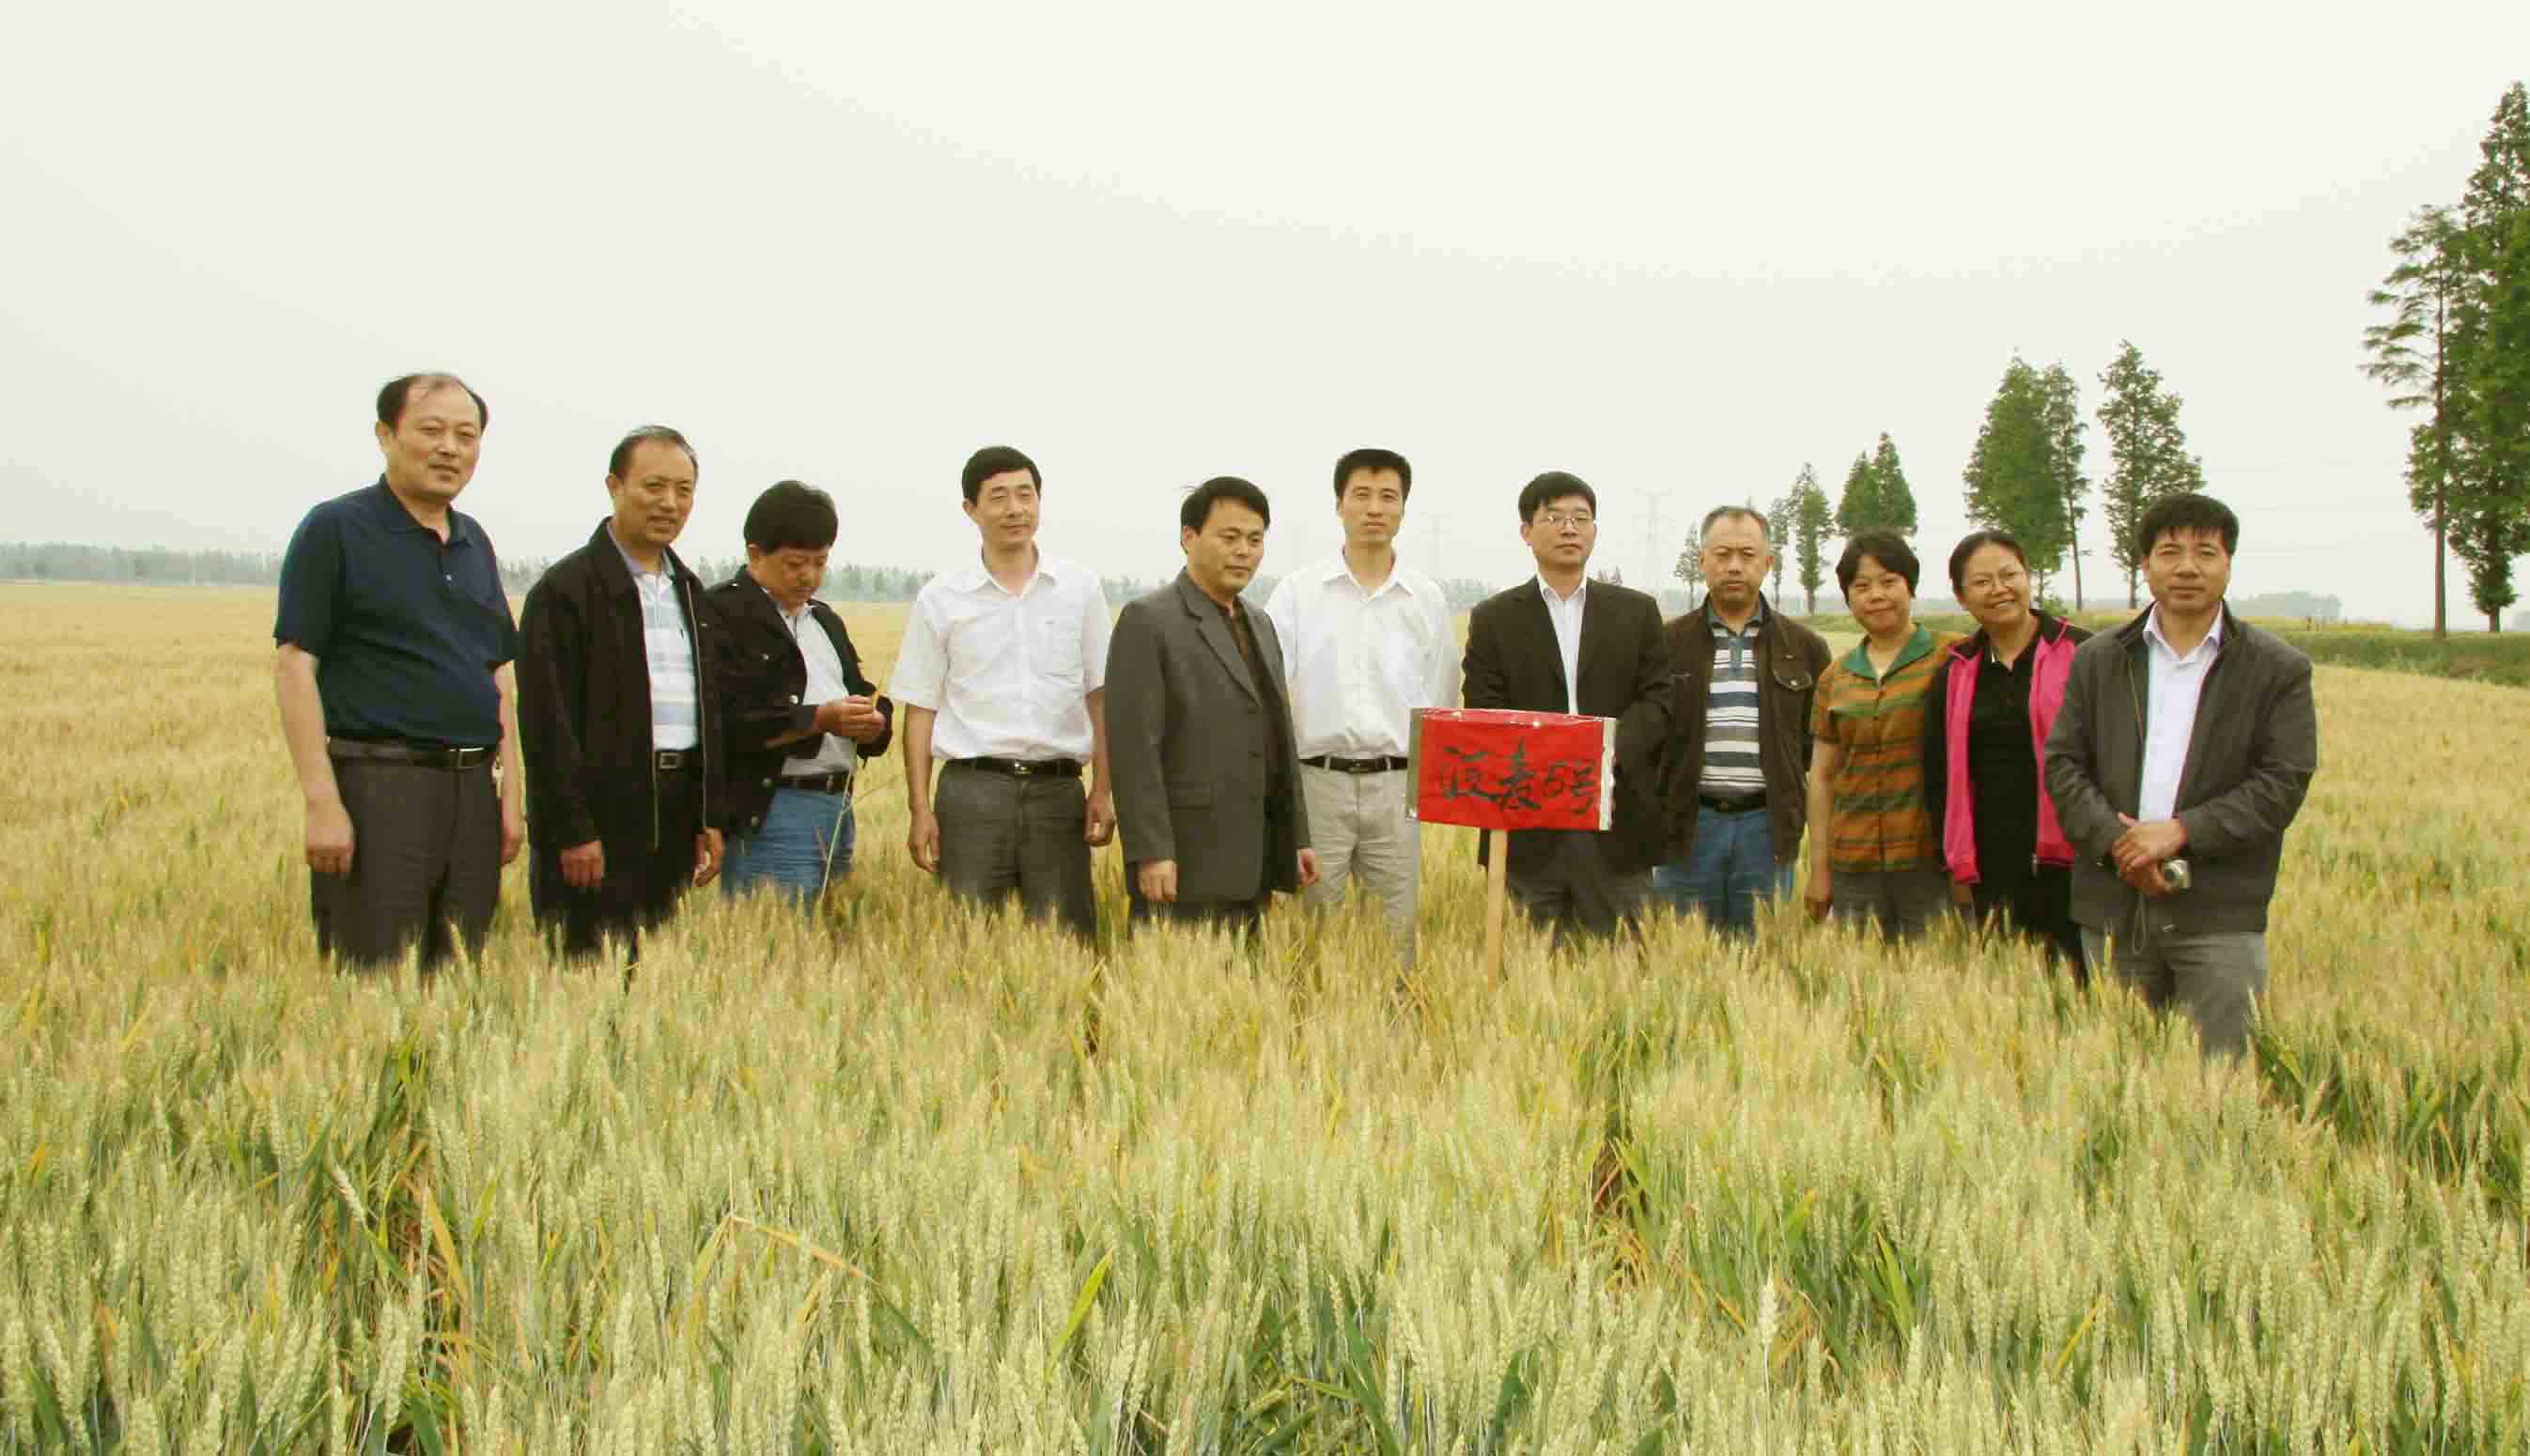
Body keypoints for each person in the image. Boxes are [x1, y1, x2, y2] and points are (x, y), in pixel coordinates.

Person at [2044, 494, 2317, 1060]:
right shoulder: (2099, 659)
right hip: (2113, 908)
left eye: (2205, 552)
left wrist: (2181, 832)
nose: (2187, 567)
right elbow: (2064, 764)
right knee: (2115, 1077)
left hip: (2220, 912)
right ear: (2145, 564)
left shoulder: (2277, 668)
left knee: (2221, 1081)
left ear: (2228, 564)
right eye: (2170, 552)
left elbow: (2282, 781)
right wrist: (2121, 845)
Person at [272, 372, 524, 970]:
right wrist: (322, 803)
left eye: (466, 435)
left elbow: (496, 678)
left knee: (461, 977)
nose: (449, 448)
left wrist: (510, 798)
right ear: (385, 435)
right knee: (375, 977)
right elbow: (295, 666)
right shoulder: (336, 528)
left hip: (472, 790)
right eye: (431, 430)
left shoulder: (474, 541)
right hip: (380, 785)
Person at [516, 426, 724, 960]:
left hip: (675, 815)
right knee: (586, 972)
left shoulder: (689, 591)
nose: (669, 503)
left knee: (657, 973)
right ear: (614, 486)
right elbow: (545, 723)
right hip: (600, 822)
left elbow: (706, 714)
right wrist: (572, 830)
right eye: (654, 486)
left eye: (683, 490)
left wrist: (706, 815)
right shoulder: (564, 592)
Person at [892, 446, 1116, 943]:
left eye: (1025, 495)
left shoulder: (1079, 589)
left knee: (1066, 942)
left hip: (1059, 793)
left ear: (1040, 500)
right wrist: (920, 809)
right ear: (970, 509)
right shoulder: (941, 597)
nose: (1015, 509)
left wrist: (1102, 789)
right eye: (998, 497)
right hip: (972, 794)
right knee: (968, 943)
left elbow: (1101, 696)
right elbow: (921, 709)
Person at [1263, 447, 1457, 966]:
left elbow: (1441, 694)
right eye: (1362, 495)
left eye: (1388, 497)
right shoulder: (1298, 594)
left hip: (1395, 787)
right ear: (1339, 505)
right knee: (1311, 933)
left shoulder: (1425, 599)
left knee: (1395, 934)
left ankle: (1391, 1017)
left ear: (1403, 509)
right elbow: (1271, 693)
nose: (1375, 508)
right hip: (1316, 784)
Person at [1461, 472, 1671, 944]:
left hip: (1619, 819)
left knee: (1625, 965)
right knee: (1528, 965)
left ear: (1595, 530)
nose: (1569, 528)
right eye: (1554, 517)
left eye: (1581, 518)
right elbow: (1486, 711)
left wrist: (1603, 753)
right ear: (1526, 531)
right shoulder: (1494, 619)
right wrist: (1554, 764)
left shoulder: (1636, 612)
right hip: (1527, 826)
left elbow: (1658, 701)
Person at [1107, 476, 1319, 935]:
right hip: (1184, 862)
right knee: (1168, 978)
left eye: (1255, 540)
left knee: (1249, 979)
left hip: (1254, 860)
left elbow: (1279, 738)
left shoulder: (1260, 623)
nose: (1244, 551)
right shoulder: (1149, 621)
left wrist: (1297, 837)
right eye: (1229, 537)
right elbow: (1134, 750)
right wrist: (1151, 851)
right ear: (1189, 537)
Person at [707, 481, 893, 904]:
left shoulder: (824, 620)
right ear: (755, 554)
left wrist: (873, 721)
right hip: (773, 808)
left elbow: (861, 690)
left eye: (820, 562)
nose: (808, 575)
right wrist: (821, 719)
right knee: (772, 938)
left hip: (838, 808)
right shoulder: (721, 615)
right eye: (794, 563)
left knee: (830, 937)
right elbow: (728, 721)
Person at [1652, 504, 1832, 937]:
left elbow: (1819, 751)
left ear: (1768, 563)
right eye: (1722, 554)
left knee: (1762, 956)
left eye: (1747, 555)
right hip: (1688, 828)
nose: (1734, 566)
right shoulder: (1665, 644)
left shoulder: (1804, 647)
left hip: (1766, 829)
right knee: (1682, 956)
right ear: (1701, 561)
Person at [1923, 530, 2092, 978]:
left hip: (2076, 857)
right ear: (1961, 597)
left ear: (2028, 577)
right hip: (1990, 857)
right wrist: (1952, 864)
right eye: (1981, 582)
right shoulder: (1956, 670)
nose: (1999, 589)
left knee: (2085, 983)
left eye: (2008, 575)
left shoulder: (2085, 653)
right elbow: (1939, 773)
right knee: (2009, 984)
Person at [1803, 532, 1963, 940]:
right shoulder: (1835, 676)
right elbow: (1822, 777)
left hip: (1930, 862)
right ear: (1848, 597)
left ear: (1910, 586)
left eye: (1888, 582)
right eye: (1861, 586)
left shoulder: (1953, 657)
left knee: (1936, 973)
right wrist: (1820, 870)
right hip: (1853, 865)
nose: (1876, 595)